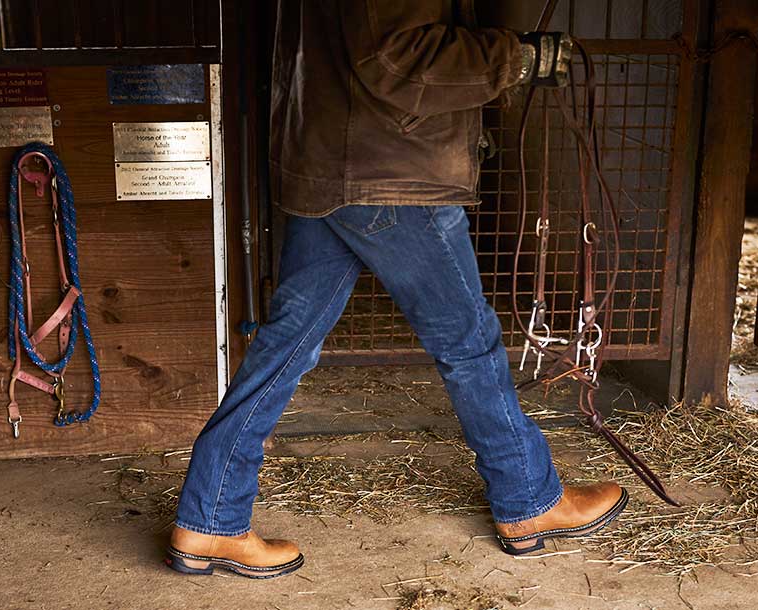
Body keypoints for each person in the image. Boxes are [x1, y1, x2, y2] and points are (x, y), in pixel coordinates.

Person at [165, 1, 627, 579]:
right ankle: (529, 501)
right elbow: (395, 57)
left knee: (285, 347)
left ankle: (208, 519)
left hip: (331, 163)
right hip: (393, 174)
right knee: (469, 343)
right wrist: (519, 58)